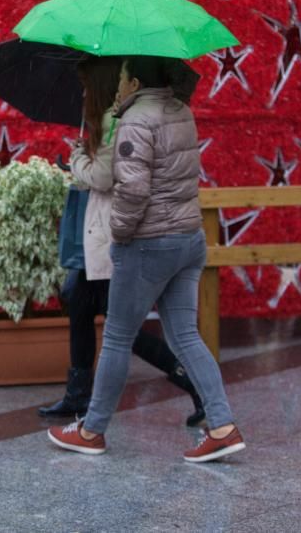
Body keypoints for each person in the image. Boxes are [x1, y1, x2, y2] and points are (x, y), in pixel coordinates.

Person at [47, 55, 245, 463]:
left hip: (149, 242)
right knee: (186, 336)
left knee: (118, 337)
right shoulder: (181, 109)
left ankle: (91, 429)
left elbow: (133, 192)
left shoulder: (136, 120)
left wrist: (119, 236)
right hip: (188, 239)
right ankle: (222, 427)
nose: (117, 87)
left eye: (121, 79)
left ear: (135, 82)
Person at [39, 55, 204, 427]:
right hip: (97, 228)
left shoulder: (121, 120)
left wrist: (77, 160)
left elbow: (104, 177)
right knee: (81, 301)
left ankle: (190, 380)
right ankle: (79, 394)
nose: (82, 92)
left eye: (86, 85)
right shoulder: (107, 120)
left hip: (116, 230)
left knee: (117, 322)